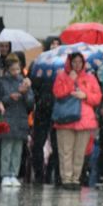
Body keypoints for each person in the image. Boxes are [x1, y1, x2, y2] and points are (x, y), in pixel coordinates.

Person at [52, 51, 102, 189]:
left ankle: (76, 179)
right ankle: (66, 178)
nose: (77, 65)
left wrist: (85, 95)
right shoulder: (62, 76)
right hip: (65, 119)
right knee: (66, 151)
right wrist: (70, 80)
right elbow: (58, 93)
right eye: (74, 61)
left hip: (85, 120)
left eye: (80, 62)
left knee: (80, 152)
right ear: (69, 62)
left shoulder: (90, 78)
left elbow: (97, 97)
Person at [0, 56, 33, 186]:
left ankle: (14, 174)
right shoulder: (2, 82)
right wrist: (10, 97)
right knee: (6, 148)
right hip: (7, 118)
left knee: (18, 149)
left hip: (21, 118)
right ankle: (5, 174)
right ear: (8, 69)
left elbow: (30, 103)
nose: (16, 72)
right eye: (13, 69)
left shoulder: (24, 81)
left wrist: (25, 92)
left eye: (18, 69)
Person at [30, 35, 61, 185]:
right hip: (42, 109)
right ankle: (39, 174)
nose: (55, 46)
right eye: (52, 44)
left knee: (57, 145)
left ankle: (51, 174)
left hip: (58, 110)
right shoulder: (38, 63)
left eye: (57, 44)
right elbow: (33, 87)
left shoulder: (64, 66)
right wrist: (39, 99)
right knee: (38, 143)